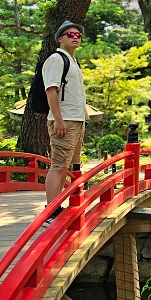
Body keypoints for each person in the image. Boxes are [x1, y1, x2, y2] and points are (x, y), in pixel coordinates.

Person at [43, 20, 87, 225]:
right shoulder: (56, 59)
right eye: (70, 34)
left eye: (78, 34)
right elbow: (51, 90)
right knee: (59, 165)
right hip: (64, 120)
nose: (76, 36)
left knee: (66, 165)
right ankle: (49, 211)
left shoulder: (73, 61)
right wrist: (58, 119)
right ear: (60, 39)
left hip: (76, 120)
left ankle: (56, 206)